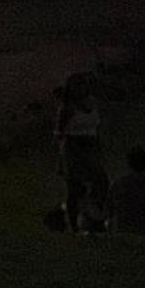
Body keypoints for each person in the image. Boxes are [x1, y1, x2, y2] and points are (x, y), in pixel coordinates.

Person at [53, 76, 106, 232]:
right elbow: (59, 132)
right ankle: (74, 225)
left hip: (91, 147)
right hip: (74, 149)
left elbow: (96, 128)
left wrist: (98, 148)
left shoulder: (92, 103)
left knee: (101, 182)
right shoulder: (67, 108)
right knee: (74, 188)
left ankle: (93, 217)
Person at [108, 146, 145, 235]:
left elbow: (109, 211)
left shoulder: (117, 185)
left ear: (128, 163)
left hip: (121, 234)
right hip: (142, 234)